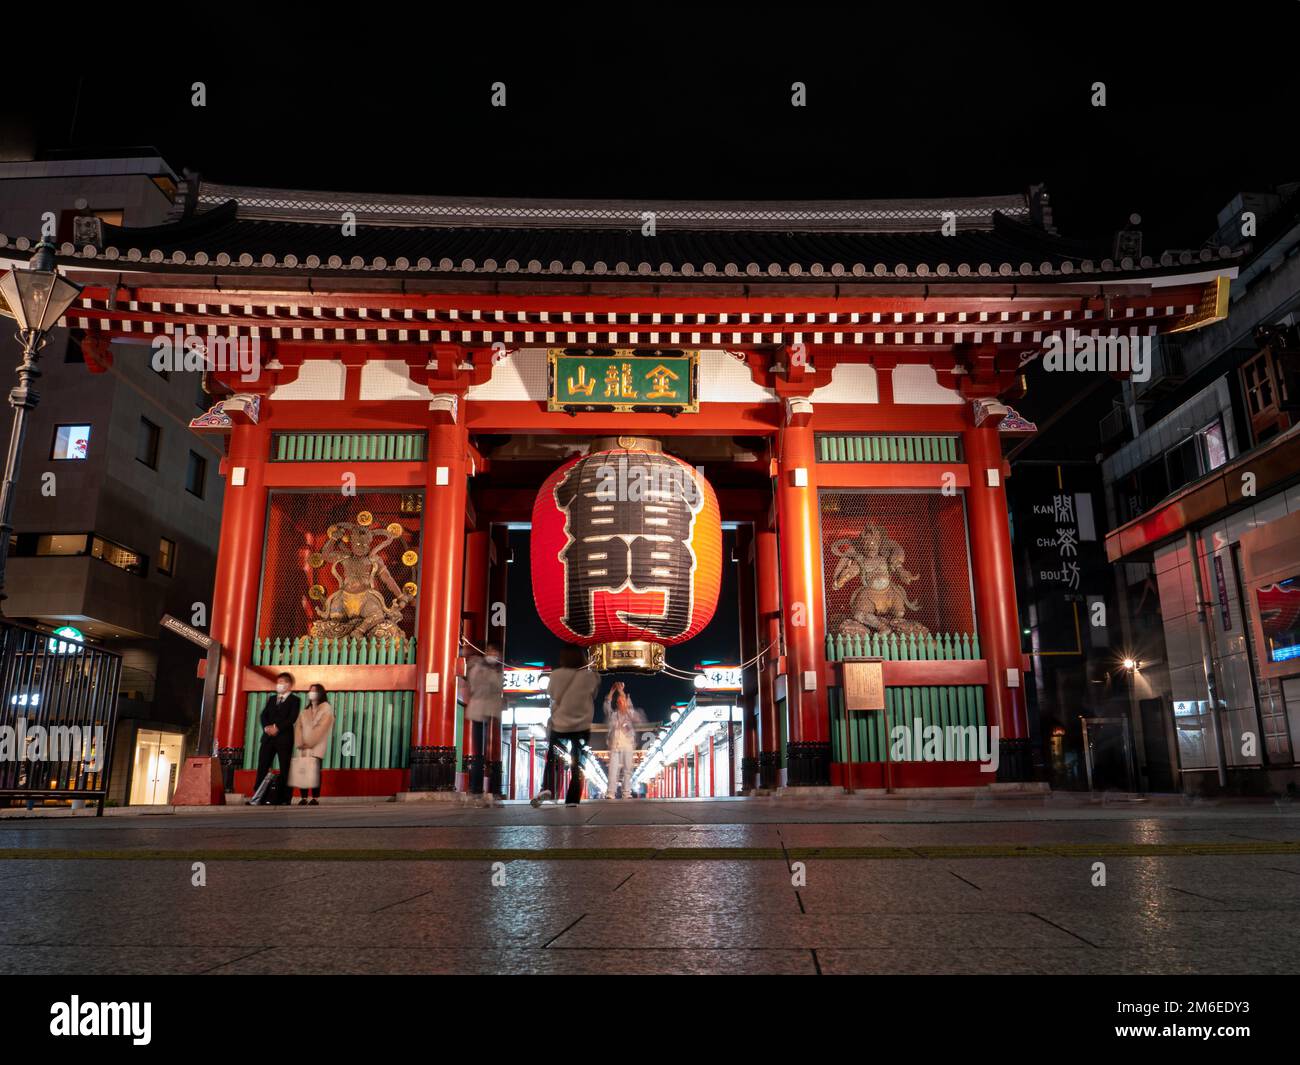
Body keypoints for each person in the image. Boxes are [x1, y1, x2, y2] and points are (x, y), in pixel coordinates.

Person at [532, 644, 599, 807]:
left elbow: (552, 694)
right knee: (577, 763)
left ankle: (547, 788)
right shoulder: (591, 677)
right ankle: (572, 799)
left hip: (560, 724)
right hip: (582, 725)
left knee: (553, 758)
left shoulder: (556, 675)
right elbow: (593, 695)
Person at [464, 642, 505, 806]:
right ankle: (476, 790)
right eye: (491, 652)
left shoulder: (495, 671)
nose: (494, 655)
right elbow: (477, 686)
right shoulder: (478, 668)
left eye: (496, 653)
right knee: (478, 754)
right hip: (479, 710)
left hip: (491, 711)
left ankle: (490, 790)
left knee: (490, 754)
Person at [250, 672, 299, 805]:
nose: (279, 685)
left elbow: (292, 718)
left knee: (285, 768)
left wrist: (277, 727)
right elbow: (263, 715)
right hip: (268, 738)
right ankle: (257, 797)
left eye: (282, 682)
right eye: (278, 682)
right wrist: (266, 727)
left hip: (284, 738)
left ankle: (285, 798)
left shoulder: (295, 700)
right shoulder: (272, 698)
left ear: (289, 684)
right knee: (262, 766)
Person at [292, 683, 334, 805]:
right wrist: (300, 741)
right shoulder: (305, 710)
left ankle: (315, 797)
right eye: (310, 691)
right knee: (303, 771)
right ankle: (303, 797)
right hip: (303, 747)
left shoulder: (326, 708)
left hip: (316, 745)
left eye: (314, 691)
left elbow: (321, 728)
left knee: (315, 772)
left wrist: (309, 741)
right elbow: (298, 727)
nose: (311, 693)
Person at [604, 681, 644, 799]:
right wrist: (612, 692)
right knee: (613, 769)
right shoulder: (613, 715)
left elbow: (633, 714)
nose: (620, 703)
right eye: (619, 701)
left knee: (627, 769)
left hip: (628, 744)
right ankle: (610, 793)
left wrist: (621, 691)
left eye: (623, 701)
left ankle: (626, 792)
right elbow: (607, 706)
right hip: (615, 744)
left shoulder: (629, 713)